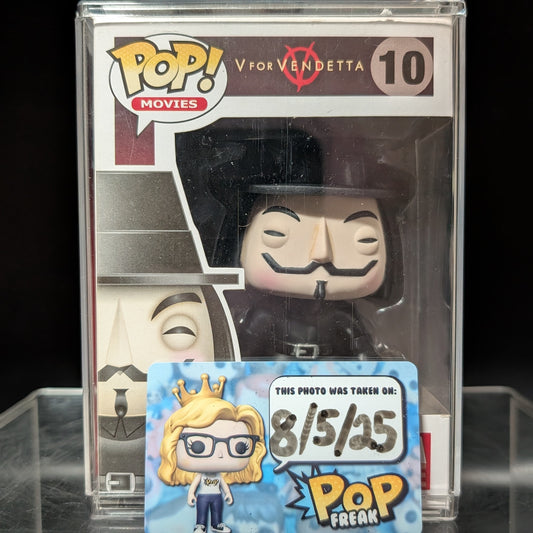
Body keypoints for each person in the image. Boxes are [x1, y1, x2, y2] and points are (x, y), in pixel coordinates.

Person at [158, 374, 266, 533]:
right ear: (172, 443)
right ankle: (200, 525)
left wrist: (228, 494)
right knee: (201, 511)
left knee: (217, 510)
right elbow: (194, 485)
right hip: (202, 496)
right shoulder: (199, 476)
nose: (220, 455)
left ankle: (216, 524)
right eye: (198, 446)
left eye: (239, 447)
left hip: (216, 496)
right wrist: (191, 495)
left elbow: (224, 485)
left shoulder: (220, 476)